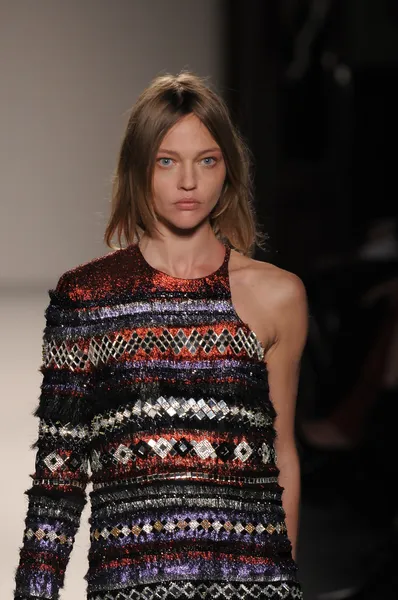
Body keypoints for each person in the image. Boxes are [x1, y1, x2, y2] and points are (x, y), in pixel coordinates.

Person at [14, 71, 308, 600]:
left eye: (207, 160)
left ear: (229, 171)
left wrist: (284, 585)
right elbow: (58, 474)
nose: (188, 182)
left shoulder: (277, 295)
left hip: (252, 581)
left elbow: (281, 455)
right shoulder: (86, 297)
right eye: (166, 161)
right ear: (137, 169)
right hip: (129, 585)